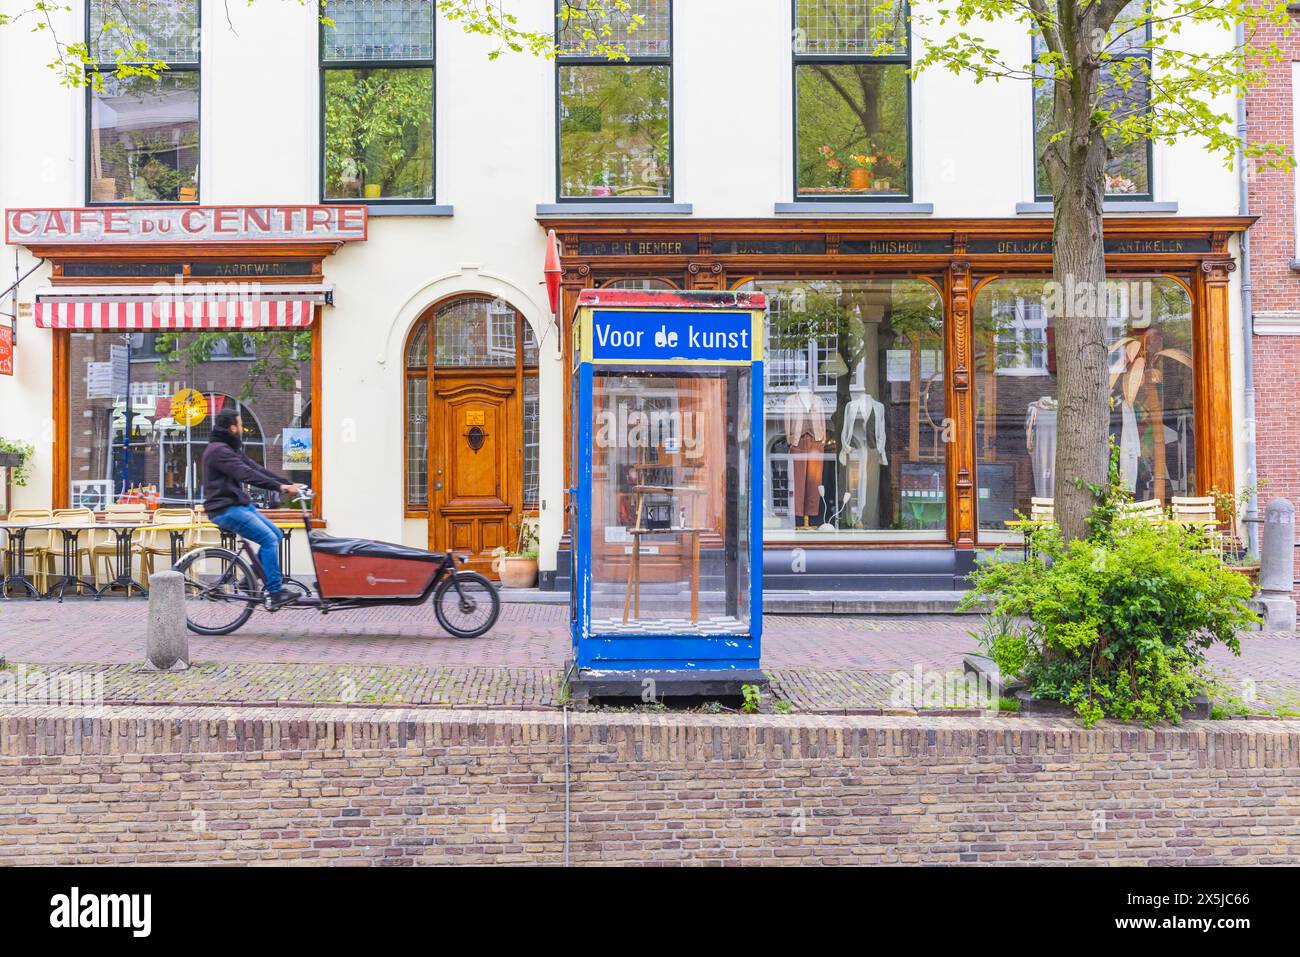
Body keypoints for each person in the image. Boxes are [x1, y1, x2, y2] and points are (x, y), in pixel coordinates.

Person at [201, 408, 303, 609]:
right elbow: (246, 474)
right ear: (232, 427)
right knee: (269, 539)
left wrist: (286, 483)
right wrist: (281, 487)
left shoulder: (228, 449)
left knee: (276, 534)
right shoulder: (219, 451)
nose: (242, 429)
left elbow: (257, 469)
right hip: (225, 509)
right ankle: (275, 593)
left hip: (238, 505)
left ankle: (248, 581)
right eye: (239, 425)